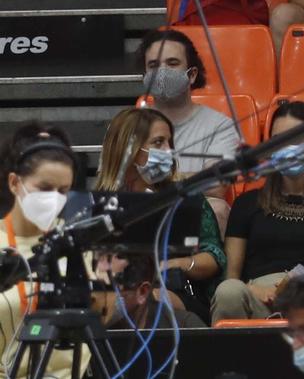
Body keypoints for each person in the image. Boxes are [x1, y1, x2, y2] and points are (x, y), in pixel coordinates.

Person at [213, 100, 304, 319]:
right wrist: (253, 289)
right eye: (279, 140)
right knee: (229, 291)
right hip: (258, 297)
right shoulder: (246, 204)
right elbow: (230, 277)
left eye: (297, 138)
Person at [94, 107, 224, 311]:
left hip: (175, 291)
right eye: (158, 142)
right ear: (129, 149)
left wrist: (174, 264)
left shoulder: (185, 198)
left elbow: (214, 257)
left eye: (169, 143)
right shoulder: (102, 203)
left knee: (143, 299)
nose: (168, 151)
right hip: (116, 290)